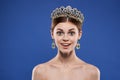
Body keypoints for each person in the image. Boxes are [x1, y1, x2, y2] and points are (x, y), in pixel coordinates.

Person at [32, 6, 100, 80]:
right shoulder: (40, 71)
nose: (65, 38)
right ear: (52, 34)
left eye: (71, 33)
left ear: (79, 34)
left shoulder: (91, 72)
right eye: (60, 33)